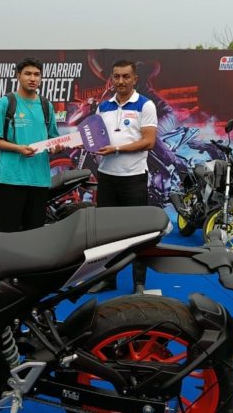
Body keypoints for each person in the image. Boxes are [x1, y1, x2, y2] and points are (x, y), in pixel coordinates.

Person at [91, 60, 157, 294]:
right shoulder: (103, 107)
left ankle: (139, 283)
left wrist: (117, 149)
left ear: (134, 79)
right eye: (117, 76)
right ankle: (107, 279)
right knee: (107, 233)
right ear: (112, 78)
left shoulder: (145, 105)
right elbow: (95, 139)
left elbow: (149, 141)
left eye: (126, 76)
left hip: (133, 178)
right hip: (106, 177)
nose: (121, 81)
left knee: (138, 233)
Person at [0, 59, 63, 232]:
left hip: (39, 180)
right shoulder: (5, 103)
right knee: (8, 233)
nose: (32, 78)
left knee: (34, 234)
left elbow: (53, 138)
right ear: (18, 75)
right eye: (28, 74)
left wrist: (56, 147)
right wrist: (19, 148)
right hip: (11, 179)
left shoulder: (46, 106)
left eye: (37, 74)